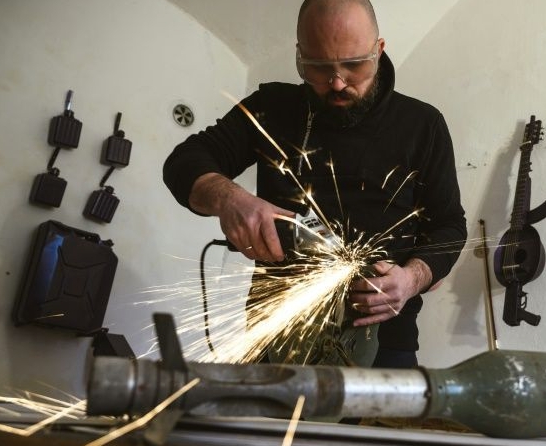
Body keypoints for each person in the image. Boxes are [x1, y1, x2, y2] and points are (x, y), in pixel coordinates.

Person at [163, 0, 466, 368]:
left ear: (379, 50)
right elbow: (183, 162)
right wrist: (228, 198)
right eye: (318, 69)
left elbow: (450, 227)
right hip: (275, 336)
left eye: (354, 65)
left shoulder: (424, 125)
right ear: (299, 55)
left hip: (386, 342)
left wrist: (411, 279)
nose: (337, 83)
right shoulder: (271, 107)